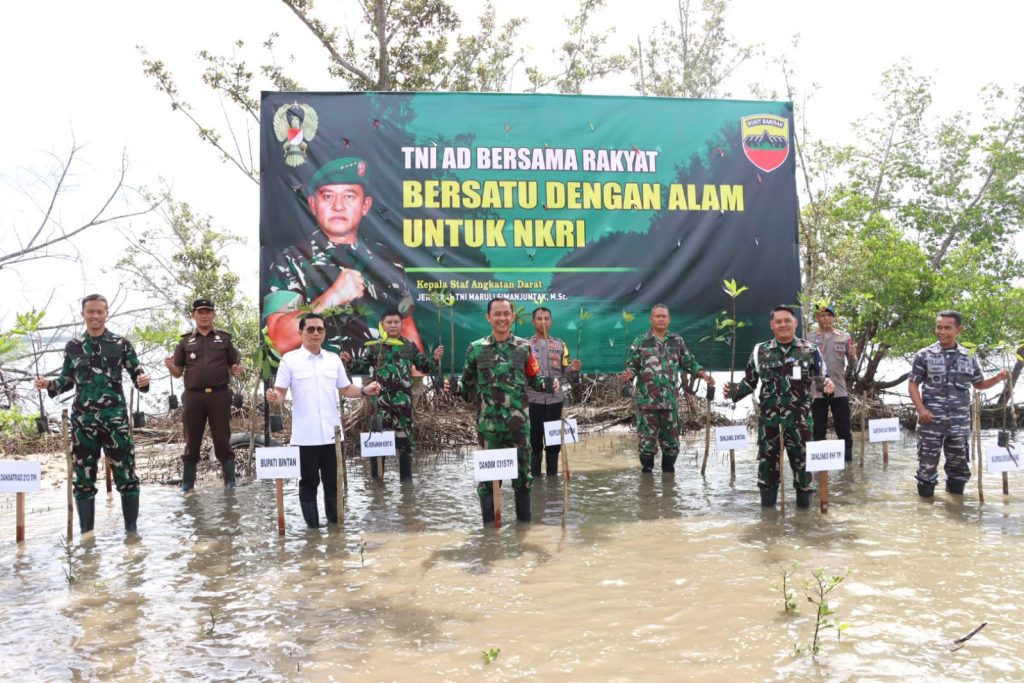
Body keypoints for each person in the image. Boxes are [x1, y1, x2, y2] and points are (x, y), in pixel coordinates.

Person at [263, 156, 423, 359]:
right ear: (313, 204)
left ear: (365, 205)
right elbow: (277, 340)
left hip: (379, 381)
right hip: (318, 380)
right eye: (328, 196)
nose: (338, 206)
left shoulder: (388, 260)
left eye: (349, 196)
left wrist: (417, 384)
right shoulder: (291, 260)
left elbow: (408, 334)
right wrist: (332, 298)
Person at [34, 294, 150, 534]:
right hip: (83, 424)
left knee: (126, 476)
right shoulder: (74, 347)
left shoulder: (121, 344)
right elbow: (66, 381)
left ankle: (132, 533)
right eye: (91, 312)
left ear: (106, 313)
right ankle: (87, 537)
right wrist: (49, 384)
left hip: (115, 421)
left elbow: (138, 375)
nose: (95, 316)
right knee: (83, 480)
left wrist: (144, 381)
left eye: (100, 311)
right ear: (83, 315)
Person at [266, 313, 380, 528]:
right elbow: (280, 393)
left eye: (320, 329)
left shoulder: (333, 359)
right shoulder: (289, 360)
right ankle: (313, 532)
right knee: (308, 483)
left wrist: (364, 390)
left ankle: (336, 532)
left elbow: (346, 388)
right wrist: (274, 397)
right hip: (304, 437)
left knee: (334, 482)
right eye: (311, 329)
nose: (316, 333)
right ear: (300, 333)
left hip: (332, 436)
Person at [725, 306, 834, 508]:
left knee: (804, 472)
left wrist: (829, 386)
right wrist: (732, 392)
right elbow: (749, 383)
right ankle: (768, 524)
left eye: (787, 321)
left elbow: (823, 382)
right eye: (778, 321)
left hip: (800, 423)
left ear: (795, 323)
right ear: (772, 325)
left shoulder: (810, 350)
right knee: (767, 473)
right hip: (769, 424)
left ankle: (804, 522)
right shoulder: (760, 351)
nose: (783, 324)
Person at [457, 297, 552, 524]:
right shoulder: (476, 348)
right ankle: (490, 536)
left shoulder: (523, 348)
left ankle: (523, 529)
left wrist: (548, 384)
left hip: (518, 426)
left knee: (522, 478)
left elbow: (534, 379)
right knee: (488, 481)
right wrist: (455, 387)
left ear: (513, 317)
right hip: (488, 428)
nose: (502, 318)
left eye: (506, 314)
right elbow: (466, 386)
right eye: (497, 314)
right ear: (488, 317)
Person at [908, 310, 1009, 497]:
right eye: (939, 327)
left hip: (959, 425)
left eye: (947, 328)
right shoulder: (924, 355)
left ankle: (956, 510)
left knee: (959, 472)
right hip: (931, 424)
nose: (942, 332)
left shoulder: (968, 356)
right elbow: (913, 385)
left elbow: (979, 384)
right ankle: (925, 516)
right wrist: (921, 410)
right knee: (926, 472)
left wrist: (998, 378)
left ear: (958, 330)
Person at [341, 308, 443, 481]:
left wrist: (434, 359)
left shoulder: (409, 346)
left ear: (401, 324)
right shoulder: (375, 347)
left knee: (405, 448)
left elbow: (424, 367)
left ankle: (406, 488)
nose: (393, 325)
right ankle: (377, 488)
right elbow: (361, 366)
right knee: (378, 449)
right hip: (380, 407)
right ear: (382, 325)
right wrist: (349, 361)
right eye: (389, 322)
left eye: (396, 322)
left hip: (403, 407)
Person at [621, 304, 714, 474]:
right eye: (658, 316)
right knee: (646, 445)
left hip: (669, 403)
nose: (661, 319)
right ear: (651, 319)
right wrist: (628, 374)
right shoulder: (641, 341)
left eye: (664, 316)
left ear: (669, 319)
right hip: (647, 403)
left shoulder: (677, 341)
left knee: (672, 445)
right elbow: (632, 365)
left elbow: (689, 362)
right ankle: (647, 484)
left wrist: (702, 374)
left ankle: (668, 483)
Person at [164, 298, 244, 492]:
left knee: (223, 441)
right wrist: (170, 366)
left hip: (219, 395)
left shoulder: (224, 339)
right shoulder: (185, 341)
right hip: (193, 396)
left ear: (213, 315)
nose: (204, 315)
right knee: (191, 442)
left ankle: (230, 485)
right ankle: (187, 486)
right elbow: (177, 373)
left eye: (208, 311)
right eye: (200, 312)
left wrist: (236, 370)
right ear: (193, 315)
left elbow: (233, 367)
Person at [526, 307, 582, 477]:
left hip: (555, 401)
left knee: (554, 444)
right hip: (532, 401)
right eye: (539, 319)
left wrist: (574, 368)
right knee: (534, 444)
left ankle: (552, 482)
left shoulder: (560, 345)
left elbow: (565, 372)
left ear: (551, 321)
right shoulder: (524, 345)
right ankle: (535, 483)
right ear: (533, 321)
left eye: (547, 319)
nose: (543, 322)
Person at [808, 304, 857, 462]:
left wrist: (853, 356)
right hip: (817, 391)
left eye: (829, 315)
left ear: (834, 317)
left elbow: (853, 365)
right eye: (822, 315)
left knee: (844, 431)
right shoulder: (809, 338)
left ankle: (847, 470)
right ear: (817, 318)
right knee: (818, 432)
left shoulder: (844, 336)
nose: (826, 318)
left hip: (839, 390)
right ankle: (818, 473)